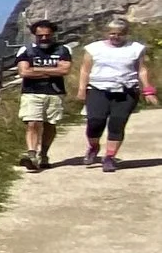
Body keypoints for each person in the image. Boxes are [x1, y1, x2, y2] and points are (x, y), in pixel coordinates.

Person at [75, 16, 154, 172]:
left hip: (127, 91)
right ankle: (93, 146)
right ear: (106, 33)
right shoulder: (94, 48)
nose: (116, 37)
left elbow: (141, 70)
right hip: (98, 89)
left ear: (126, 33)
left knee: (117, 123)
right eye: (112, 33)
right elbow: (85, 70)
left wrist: (148, 90)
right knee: (95, 121)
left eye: (120, 33)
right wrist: (81, 90)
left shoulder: (135, 48)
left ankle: (109, 157)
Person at [13, 19, 72, 172]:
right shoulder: (25, 50)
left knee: (50, 124)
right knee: (32, 122)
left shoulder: (63, 50)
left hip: (55, 92)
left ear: (53, 34)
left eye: (47, 35)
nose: (44, 38)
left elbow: (65, 70)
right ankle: (31, 155)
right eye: (40, 36)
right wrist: (51, 71)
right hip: (31, 92)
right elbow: (24, 72)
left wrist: (37, 70)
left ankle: (44, 154)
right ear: (35, 35)